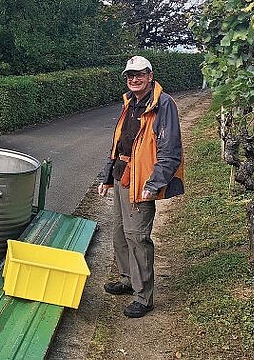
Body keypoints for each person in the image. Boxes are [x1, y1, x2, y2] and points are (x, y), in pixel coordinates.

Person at [97, 56, 185, 318]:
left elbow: (170, 149)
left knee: (138, 237)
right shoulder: (131, 103)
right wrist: (107, 176)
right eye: (130, 76)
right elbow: (120, 143)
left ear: (150, 75)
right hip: (123, 175)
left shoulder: (163, 104)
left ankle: (143, 297)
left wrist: (155, 183)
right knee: (120, 233)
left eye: (139, 75)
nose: (134, 79)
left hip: (142, 180)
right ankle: (127, 279)